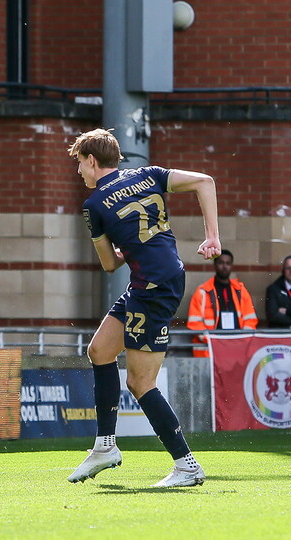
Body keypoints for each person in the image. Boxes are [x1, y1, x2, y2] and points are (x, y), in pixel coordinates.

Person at [66, 128, 219, 488]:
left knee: (140, 381)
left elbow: (108, 265)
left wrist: (122, 247)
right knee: (100, 351)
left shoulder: (93, 206)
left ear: (91, 160)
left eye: (79, 165)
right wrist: (212, 236)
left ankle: (187, 465)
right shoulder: (148, 174)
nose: (79, 173)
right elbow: (205, 181)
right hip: (157, 280)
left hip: (153, 287)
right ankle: (105, 446)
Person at [186, 249, 258, 356]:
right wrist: (213, 341)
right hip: (211, 350)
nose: (224, 266)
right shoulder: (202, 292)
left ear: (231, 266)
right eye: (221, 263)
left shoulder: (241, 291)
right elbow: (195, 323)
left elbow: (250, 320)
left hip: (237, 347)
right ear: (215, 264)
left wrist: (242, 339)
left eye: (228, 263)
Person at [265, 255, 291, 328]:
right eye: (288, 268)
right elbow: (272, 316)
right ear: (283, 270)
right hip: (281, 335)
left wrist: (287, 311)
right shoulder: (273, 289)